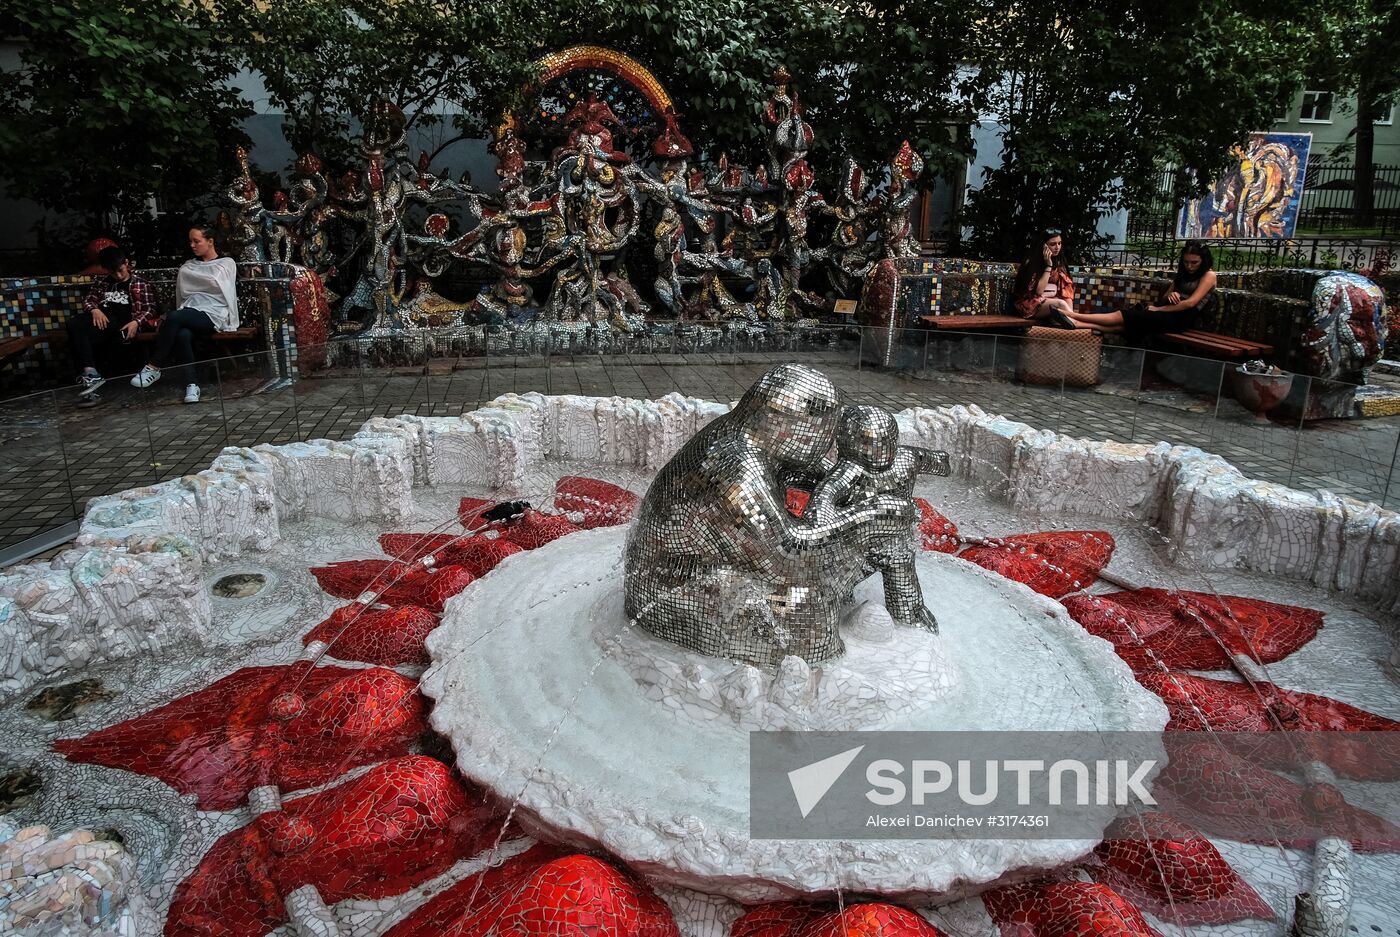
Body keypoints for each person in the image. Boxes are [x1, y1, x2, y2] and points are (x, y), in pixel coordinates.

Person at [808, 405, 950, 633]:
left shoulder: (851, 471)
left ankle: (906, 615)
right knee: (892, 577)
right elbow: (942, 463)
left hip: (868, 547)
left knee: (840, 588)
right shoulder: (905, 458)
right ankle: (909, 616)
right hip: (879, 546)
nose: (877, 451)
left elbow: (818, 515)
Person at [130, 226, 238, 404]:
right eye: (191, 242)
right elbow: (184, 292)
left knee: (174, 317)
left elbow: (223, 289)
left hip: (213, 313)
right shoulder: (188, 266)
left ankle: (155, 365)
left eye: (197, 241)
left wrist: (201, 283)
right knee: (182, 334)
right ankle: (192, 385)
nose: (192, 245)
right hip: (189, 311)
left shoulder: (226, 263)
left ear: (210, 241)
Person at [1064, 242, 1218, 341]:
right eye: (1186, 262)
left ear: (1203, 261)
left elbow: (1190, 303)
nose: (1190, 266)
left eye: (1194, 263)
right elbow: (1165, 296)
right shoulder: (1183, 274)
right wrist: (1171, 294)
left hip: (1181, 319)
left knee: (1123, 315)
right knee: (1124, 326)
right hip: (1166, 312)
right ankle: (1077, 324)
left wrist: (1158, 309)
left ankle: (1073, 315)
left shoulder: (1209, 275)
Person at [69, 246, 155, 402]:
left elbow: (150, 308)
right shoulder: (102, 281)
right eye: (112, 272)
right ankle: (91, 372)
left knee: (81, 339)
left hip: (120, 322)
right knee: (74, 325)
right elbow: (88, 300)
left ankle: (90, 381)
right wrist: (94, 310)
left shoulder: (139, 282)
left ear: (126, 263)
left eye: (121, 270)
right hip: (100, 318)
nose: (118, 275)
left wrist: (136, 322)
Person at [1012, 229, 1077, 327]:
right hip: (1030, 303)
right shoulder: (1032, 263)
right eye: (1053, 244)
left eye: (1059, 243)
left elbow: (1066, 291)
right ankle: (1083, 323)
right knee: (1060, 304)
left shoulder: (1059, 262)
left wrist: (1070, 310)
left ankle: (1077, 322)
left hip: (1049, 300)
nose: (1057, 247)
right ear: (1043, 245)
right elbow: (1038, 291)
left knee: (1064, 307)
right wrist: (1048, 265)